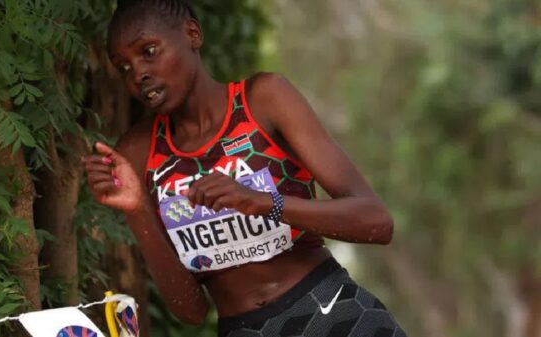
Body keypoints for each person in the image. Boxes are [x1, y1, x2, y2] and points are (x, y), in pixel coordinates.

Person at [83, 0, 407, 336]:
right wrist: (136, 208)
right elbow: (191, 311)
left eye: (148, 51)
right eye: (123, 67)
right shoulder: (139, 152)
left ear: (192, 34)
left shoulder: (264, 101)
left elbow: (376, 223)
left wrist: (264, 203)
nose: (138, 73)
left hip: (335, 316)